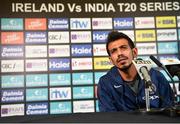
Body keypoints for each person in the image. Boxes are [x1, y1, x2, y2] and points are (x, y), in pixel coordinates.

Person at [97, 31, 174, 112]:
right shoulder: (105, 83)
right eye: (114, 51)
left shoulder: (157, 77)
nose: (119, 53)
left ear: (134, 52)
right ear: (111, 60)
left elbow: (169, 111)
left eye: (123, 48)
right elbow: (109, 118)